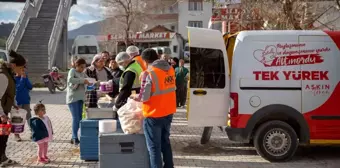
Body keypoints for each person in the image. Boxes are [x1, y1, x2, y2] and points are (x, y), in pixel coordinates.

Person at [138, 48, 176, 168]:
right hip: (168, 111)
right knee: (165, 143)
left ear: (145, 61)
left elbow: (144, 97)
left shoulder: (150, 73)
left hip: (153, 114)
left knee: (154, 148)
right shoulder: (170, 69)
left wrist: (136, 97)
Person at [0, 50, 26, 167]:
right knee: (1, 136)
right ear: (14, 65)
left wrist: (13, 103)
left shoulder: (9, 74)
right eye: (21, 68)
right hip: (1, 112)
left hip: (4, 110)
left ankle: (2, 158)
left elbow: (7, 94)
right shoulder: (3, 76)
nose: (22, 71)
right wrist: (1, 114)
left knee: (4, 135)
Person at [66, 58, 89, 145]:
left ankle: (77, 136)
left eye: (84, 67)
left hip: (81, 98)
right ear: (77, 66)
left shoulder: (83, 73)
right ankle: (74, 137)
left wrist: (94, 82)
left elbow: (88, 79)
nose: (82, 69)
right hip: (73, 98)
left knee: (80, 118)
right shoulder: (72, 71)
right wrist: (83, 81)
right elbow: (70, 80)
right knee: (75, 118)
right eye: (81, 67)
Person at [14, 66, 33, 142]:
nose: (23, 71)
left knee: (29, 117)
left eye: (23, 70)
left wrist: (25, 79)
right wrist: (22, 79)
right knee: (17, 118)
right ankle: (16, 134)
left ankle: (33, 132)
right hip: (18, 102)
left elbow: (30, 86)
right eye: (21, 70)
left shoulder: (25, 77)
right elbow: (18, 89)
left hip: (26, 100)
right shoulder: (14, 79)